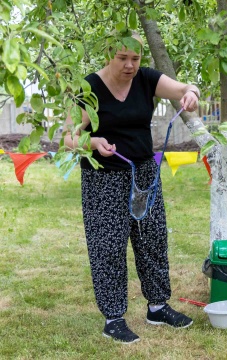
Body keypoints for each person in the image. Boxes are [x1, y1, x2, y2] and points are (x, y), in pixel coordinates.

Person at [63, 33, 201, 344]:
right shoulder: (90, 89)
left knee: (152, 240)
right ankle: (113, 318)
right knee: (108, 247)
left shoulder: (146, 79)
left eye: (135, 59)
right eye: (122, 58)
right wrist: (92, 142)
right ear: (108, 55)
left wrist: (191, 93)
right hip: (104, 178)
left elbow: (183, 89)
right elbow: (67, 136)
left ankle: (157, 306)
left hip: (144, 172)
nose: (129, 65)